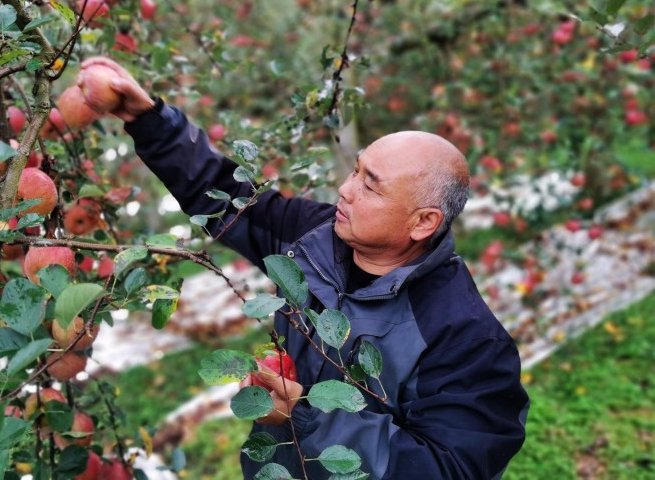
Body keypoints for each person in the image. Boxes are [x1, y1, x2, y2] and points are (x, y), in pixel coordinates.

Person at [100, 59, 530, 479]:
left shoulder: (466, 337)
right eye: (355, 170)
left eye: (369, 185)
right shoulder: (314, 237)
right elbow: (226, 198)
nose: (345, 189)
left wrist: (305, 416)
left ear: (423, 223)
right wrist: (150, 119)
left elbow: (451, 467)